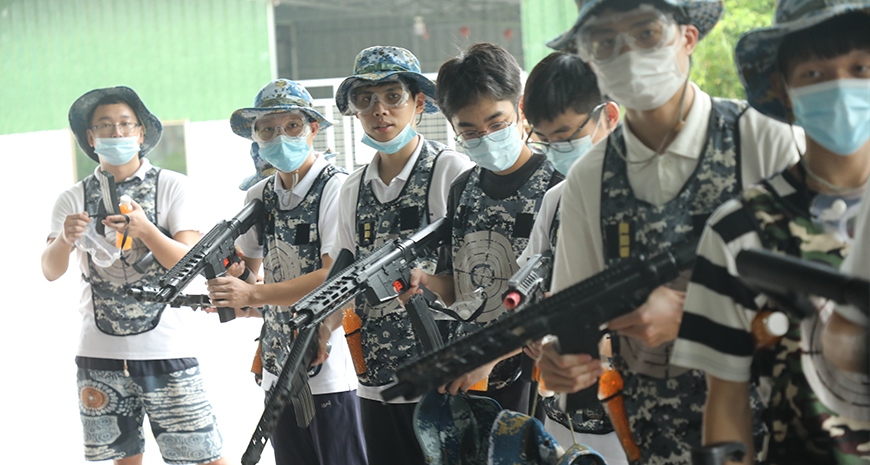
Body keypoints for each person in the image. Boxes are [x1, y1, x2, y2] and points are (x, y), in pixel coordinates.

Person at [537, 0, 802, 462]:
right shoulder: (589, 179)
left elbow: (821, 305)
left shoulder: (766, 141)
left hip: (781, 432)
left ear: (687, 37)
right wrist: (559, 360)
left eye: (646, 33)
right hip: (657, 438)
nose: (628, 54)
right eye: (605, 42)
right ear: (591, 60)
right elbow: (573, 309)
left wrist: (695, 316)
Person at [670, 2, 870, 463]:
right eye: (815, 74)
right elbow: (727, 401)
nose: (842, 87)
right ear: (782, 87)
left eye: (861, 68)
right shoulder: (739, 231)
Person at [40, 86, 228, 465]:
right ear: (90, 137)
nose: (116, 132)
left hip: (167, 349)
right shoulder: (72, 198)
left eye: (125, 124)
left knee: (204, 456)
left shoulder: (173, 185)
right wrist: (64, 239)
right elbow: (50, 270)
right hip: (98, 352)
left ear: (141, 133)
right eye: (104, 125)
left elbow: (190, 263)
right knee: (123, 459)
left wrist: (147, 231)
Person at [205, 79, 366, 465]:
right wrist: (234, 277)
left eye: (292, 125)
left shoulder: (336, 187)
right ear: (255, 137)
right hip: (277, 365)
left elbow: (333, 277)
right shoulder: (259, 195)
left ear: (313, 128)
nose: (279, 136)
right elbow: (252, 274)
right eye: (267, 129)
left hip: (329, 365)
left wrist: (252, 294)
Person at [328, 45, 473, 465]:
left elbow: (471, 278)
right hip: (375, 378)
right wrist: (321, 328)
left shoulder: (450, 170)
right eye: (365, 99)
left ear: (419, 103)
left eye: (393, 96)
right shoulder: (352, 187)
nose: (379, 110)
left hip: (440, 377)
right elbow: (343, 273)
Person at [403, 42, 564, 415]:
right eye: (471, 132)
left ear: (520, 108)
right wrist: (427, 282)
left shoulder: (557, 185)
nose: (486, 138)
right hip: (472, 379)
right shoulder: (463, 188)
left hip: (534, 382)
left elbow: (558, 302)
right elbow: (459, 287)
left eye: (497, 123)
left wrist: (491, 356)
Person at [517, 51, 626, 464]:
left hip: (638, 418)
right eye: (545, 141)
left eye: (565, 137)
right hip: (567, 420)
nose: (555, 152)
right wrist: (533, 332)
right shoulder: (556, 200)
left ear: (609, 115)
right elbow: (531, 285)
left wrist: (605, 343)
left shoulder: (654, 196)